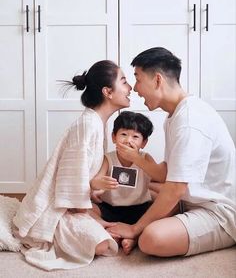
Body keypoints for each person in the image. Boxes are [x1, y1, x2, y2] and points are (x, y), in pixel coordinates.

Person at [107, 47, 236, 257]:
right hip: (191, 199)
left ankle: (141, 233)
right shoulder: (174, 115)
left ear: (157, 80)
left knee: (151, 238)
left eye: (138, 79)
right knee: (146, 187)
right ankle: (161, 222)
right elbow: (168, 174)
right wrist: (136, 159)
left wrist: (134, 229)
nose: (135, 88)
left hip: (217, 211)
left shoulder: (189, 121)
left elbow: (175, 188)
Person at [13, 60, 132, 271]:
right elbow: (70, 182)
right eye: (123, 81)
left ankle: (109, 228)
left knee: (107, 217)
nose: (130, 87)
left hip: (75, 205)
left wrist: (95, 191)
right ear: (108, 92)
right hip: (56, 210)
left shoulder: (97, 123)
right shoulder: (88, 124)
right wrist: (96, 222)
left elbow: (87, 175)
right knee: (103, 243)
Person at [90, 111, 168, 254]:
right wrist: (99, 184)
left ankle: (132, 238)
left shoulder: (145, 158)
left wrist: (137, 159)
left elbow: (161, 177)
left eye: (135, 137)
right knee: (87, 210)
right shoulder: (108, 158)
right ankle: (109, 229)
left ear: (143, 143)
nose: (128, 140)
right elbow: (94, 182)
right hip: (110, 208)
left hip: (139, 208)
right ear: (114, 137)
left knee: (159, 214)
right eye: (123, 134)